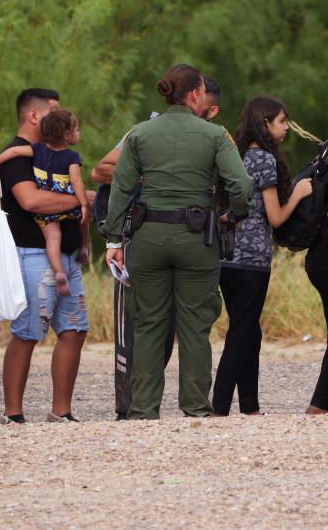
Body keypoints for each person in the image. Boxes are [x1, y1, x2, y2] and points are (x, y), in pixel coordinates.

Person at [104, 64, 252, 420]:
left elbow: (121, 187)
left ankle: (143, 409)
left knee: (148, 323)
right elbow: (242, 186)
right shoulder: (214, 134)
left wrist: (113, 239)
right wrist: (233, 213)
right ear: (195, 95)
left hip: (148, 237)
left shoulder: (139, 133)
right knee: (195, 324)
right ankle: (196, 407)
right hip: (195, 238)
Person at [211, 96, 313, 417]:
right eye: (282, 122)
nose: (285, 128)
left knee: (249, 328)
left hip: (226, 256)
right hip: (253, 258)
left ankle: (250, 405)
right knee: (242, 330)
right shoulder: (264, 161)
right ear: (265, 123)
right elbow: (276, 216)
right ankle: (219, 406)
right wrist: (298, 192)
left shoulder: (233, 155)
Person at [0, 88, 89, 424]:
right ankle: (13, 414)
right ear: (34, 116)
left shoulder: (58, 155)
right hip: (33, 254)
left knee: (75, 328)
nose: (60, 116)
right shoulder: (18, 156)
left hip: (65, 255)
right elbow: (31, 201)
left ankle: (61, 411)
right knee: (28, 331)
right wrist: (82, 201)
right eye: (54, 111)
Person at [0, 109, 90, 297]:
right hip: (65, 203)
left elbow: (13, 151)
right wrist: (83, 203)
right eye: (77, 129)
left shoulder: (37, 150)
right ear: (67, 135)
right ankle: (84, 247)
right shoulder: (72, 157)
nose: (79, 133)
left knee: (52, 238)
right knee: (83, 219)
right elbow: (76, 181)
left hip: (46, 208)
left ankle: (58, 272)